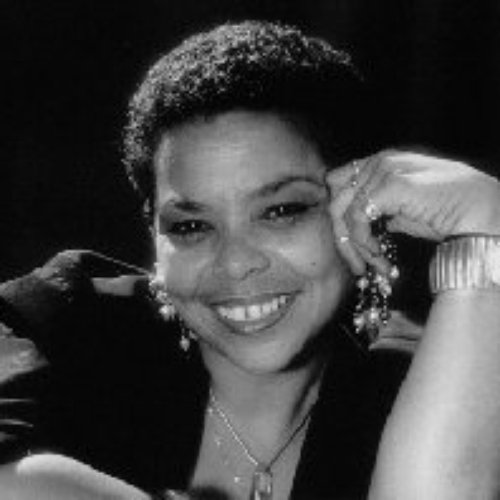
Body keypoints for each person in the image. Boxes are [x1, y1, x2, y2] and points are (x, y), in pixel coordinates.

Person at [1, 20, 500, 499]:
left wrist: (487, 225)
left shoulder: (418, 378)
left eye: (281, 211)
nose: (236, 263)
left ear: (361, 211)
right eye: (191, 226)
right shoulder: (63, 322)